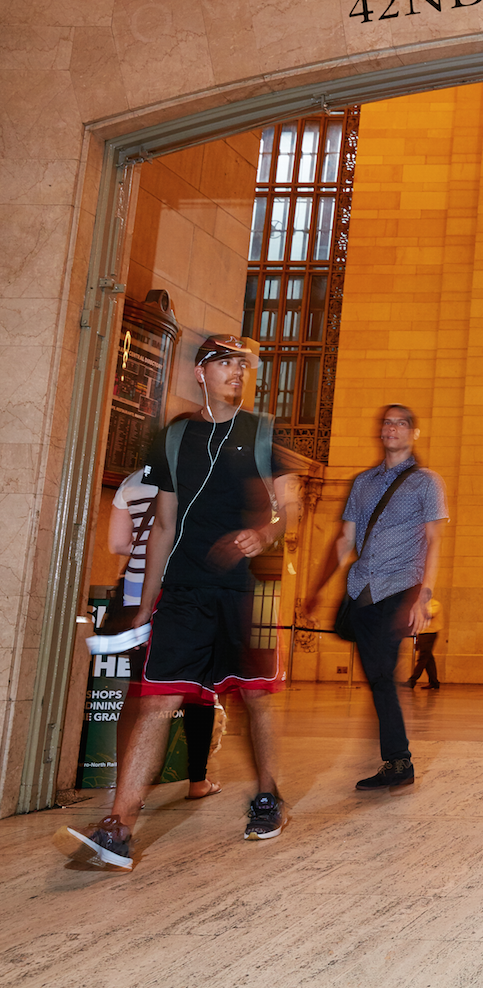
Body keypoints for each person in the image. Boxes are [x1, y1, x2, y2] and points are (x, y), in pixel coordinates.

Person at [56, 334, 299, 868]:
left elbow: (289, 506)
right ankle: (118, 825)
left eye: (243, 365)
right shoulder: (174, 439)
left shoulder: (261, 433)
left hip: (243, 592)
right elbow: (163, 526)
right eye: (226, 363)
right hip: (185, 592)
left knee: (255, 697)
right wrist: (145, 603)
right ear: (200, 373)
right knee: (158, 700)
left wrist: (265, 532)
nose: (238, 372)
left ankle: (268, 797)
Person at [322, 404, 448, 790]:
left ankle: (399, 761)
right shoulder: (362, 483)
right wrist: (316, 588)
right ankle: (396, 759)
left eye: (401, 422)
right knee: (378, 677)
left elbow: (433, 540)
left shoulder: (427, 482)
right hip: (362, 590)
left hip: (401, 586)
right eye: (387, 422)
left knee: (381, 675)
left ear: (414, 433)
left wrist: (424, 597)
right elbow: (345, 539)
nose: (392, 428)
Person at [108, 465, 220, 799]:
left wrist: (140, 548)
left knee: (137, 692)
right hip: (177, 596)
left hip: (132, 594)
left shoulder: (129, 482)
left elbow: (116, 543)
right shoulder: (195, 476)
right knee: (198, 691)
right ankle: (197, 781)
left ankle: (127, 788)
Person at [406, 597, 443, 690]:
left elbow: (429, 615)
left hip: (430, 633)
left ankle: (412, 681)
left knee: (423, 657)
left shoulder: (435, 604)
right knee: (428, 658)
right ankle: (434, 682)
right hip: (422, 633)